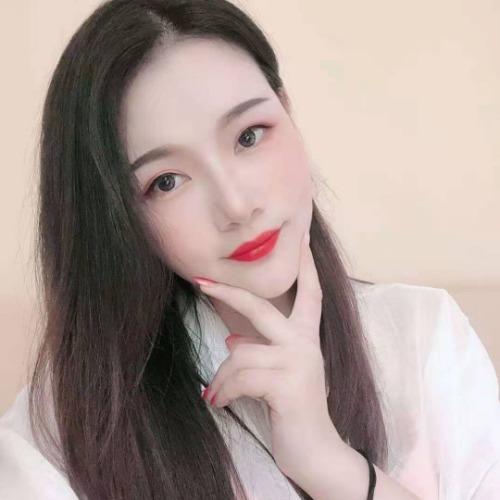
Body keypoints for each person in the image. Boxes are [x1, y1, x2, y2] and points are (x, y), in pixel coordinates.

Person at [1, 0, 499, 499]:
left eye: (249, 136)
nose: (236, 206)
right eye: (166, 181)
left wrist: (329, 463)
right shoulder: (58, 435)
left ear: (288, 110)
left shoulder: (422, 337)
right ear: (117, 217)